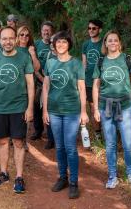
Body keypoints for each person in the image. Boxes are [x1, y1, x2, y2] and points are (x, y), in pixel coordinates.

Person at [0, 26, 34, 194]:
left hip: (19, 107)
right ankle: (4, 173)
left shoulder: (24, 57)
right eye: (4, 39)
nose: (7, 41)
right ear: (0, 41)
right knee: (3, 141)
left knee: (19, 142)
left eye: (10, 38)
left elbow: (30, 83)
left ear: (16, 39)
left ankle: (19, 177)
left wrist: (29, 107)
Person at [42, 31, 89, 199]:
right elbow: (46, 87)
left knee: (70, 147)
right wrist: (45, 110)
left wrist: (84, 111)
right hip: (54, 111)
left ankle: (74, 182)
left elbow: (82, 88)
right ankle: (63, 178)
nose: (60, 45)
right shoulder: (50, 63)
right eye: (57, 42)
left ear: (69, 44)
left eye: (63, 42)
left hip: (72, 111)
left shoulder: (76, 64)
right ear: (54, 45)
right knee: (59, 146)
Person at [92, 30, 131, 189]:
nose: (112, 43)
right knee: (111, 144)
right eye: (109, 41)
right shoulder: (101, 62)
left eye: (115, 40)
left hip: (126, 107)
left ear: (119, 43)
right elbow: (95, 86)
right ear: (105, 44)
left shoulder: (127, 60)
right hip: (105, 107)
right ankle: (112, 176)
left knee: (128, 144)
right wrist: (95, 110)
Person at [32, 21, 55, 149]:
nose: (46, 32)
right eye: (44, 30)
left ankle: (51, 137)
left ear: (52, 31)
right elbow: (33, 64)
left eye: (48, 30)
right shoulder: (36, 44)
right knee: (37, 107)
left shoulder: (56, 44)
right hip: (38, 81)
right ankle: (38, 130)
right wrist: (41, 79)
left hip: (53, 83)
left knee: (49, 109)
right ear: (41, 32)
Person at [82, 20, 103, 140]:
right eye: (89, 28)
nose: (91, 30)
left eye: (94, 28)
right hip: (89, 81)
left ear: (99, 30)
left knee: (104, 107)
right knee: (93, 107)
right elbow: (84, 64)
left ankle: (109, 133)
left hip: (103, 81)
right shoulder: (85, 45)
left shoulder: (104, 44)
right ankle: (98, 134)